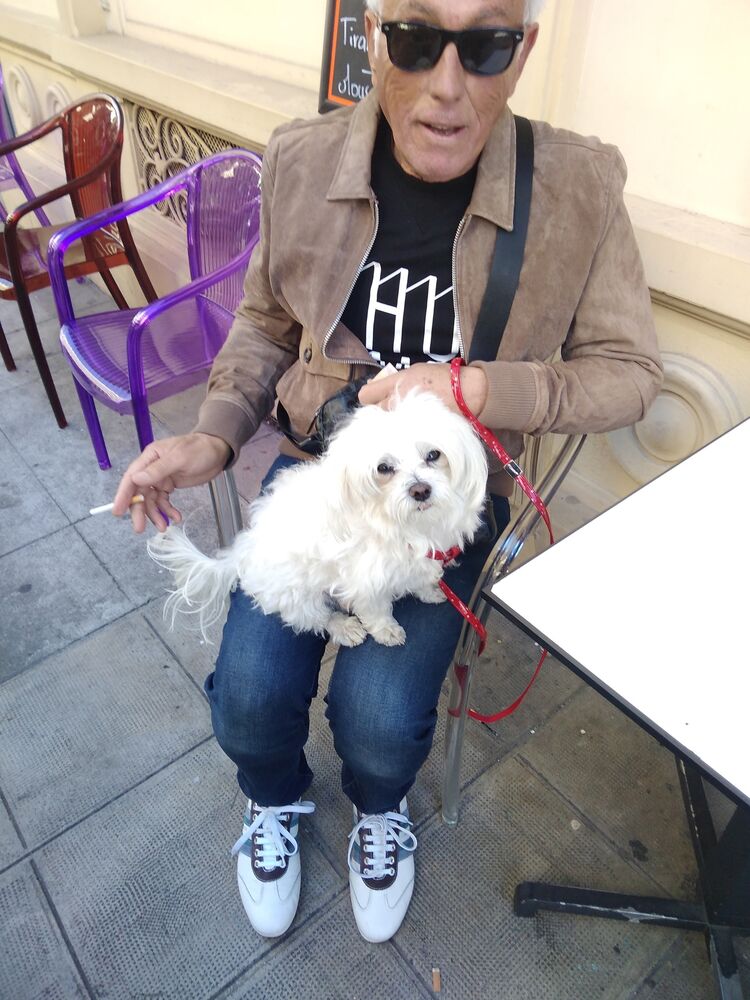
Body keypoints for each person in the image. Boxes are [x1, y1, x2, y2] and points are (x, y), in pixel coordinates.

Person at [114, 0, 662, 943]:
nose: (448, 86)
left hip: (445, 499)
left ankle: (379, 807)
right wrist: (213, 434)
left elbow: (631, 372)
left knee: (378, 718)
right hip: (319, 474)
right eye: (415, 40)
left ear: (523, 51)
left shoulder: (577, 184)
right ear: (373, 39)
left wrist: (482, 387)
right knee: (248, 700)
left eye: (485, 46)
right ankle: (273, 795)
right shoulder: (302, 158)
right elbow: (265, 324)